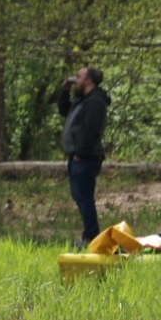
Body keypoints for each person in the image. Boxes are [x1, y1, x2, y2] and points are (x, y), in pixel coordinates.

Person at [56, 66, 110, 244]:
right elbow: (65, 111)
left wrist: (81, 153)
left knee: (84, 198)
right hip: (79, 157)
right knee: (80, 197)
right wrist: (65, 91)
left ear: (88, 81)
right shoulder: (84, 100)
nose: (75, 79)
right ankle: (89, 235)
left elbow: (91, 130)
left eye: (78, 77)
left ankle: (91, 237)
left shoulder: (95, 102)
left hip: (86, 158)